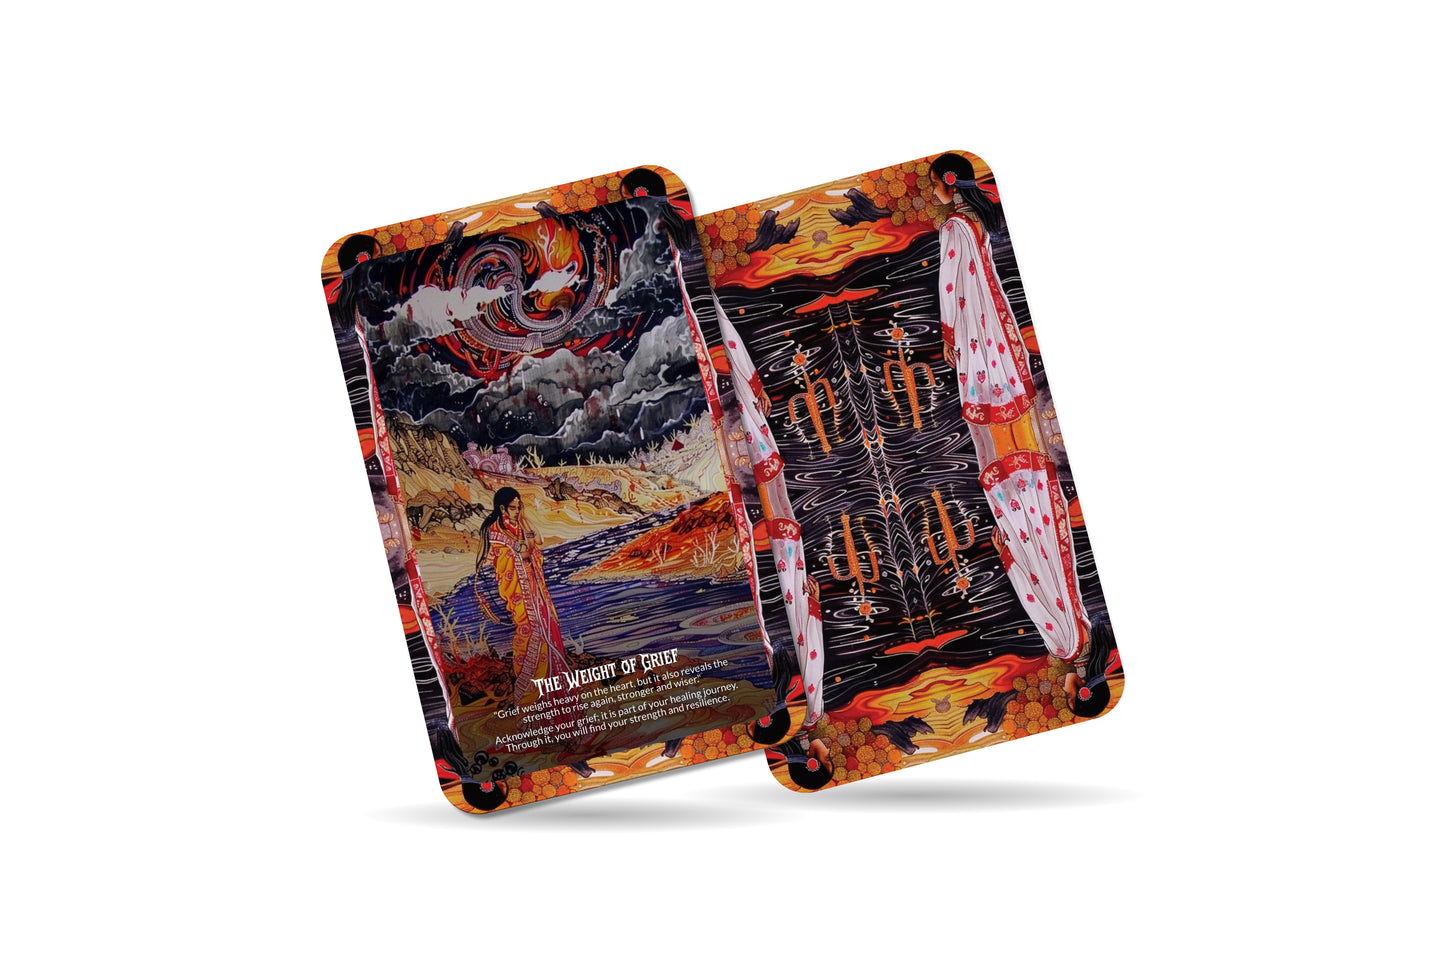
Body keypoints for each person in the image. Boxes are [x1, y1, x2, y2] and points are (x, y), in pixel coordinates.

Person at [929, 153, 1111, 715]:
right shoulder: (967, 225)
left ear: (945, 186)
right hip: (982, 321)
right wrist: (1010, 556)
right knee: (1016, 487)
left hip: (983, 319)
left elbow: (954, 284)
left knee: (996, 413)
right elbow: (954, 286)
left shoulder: (1075, 638)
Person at [474, 486, 571, 707]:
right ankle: (530, 693)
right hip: (518, 592)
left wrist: (524, 518)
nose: (517, 511)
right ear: (502, 508)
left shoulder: (519, 524)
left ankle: (553, 692)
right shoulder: (495, 531)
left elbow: (538, 540)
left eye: (520, 507)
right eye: (513, 508)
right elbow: (524, 552)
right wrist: (522, 550)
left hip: (534, 588)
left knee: (547, 625)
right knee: (528, 630)